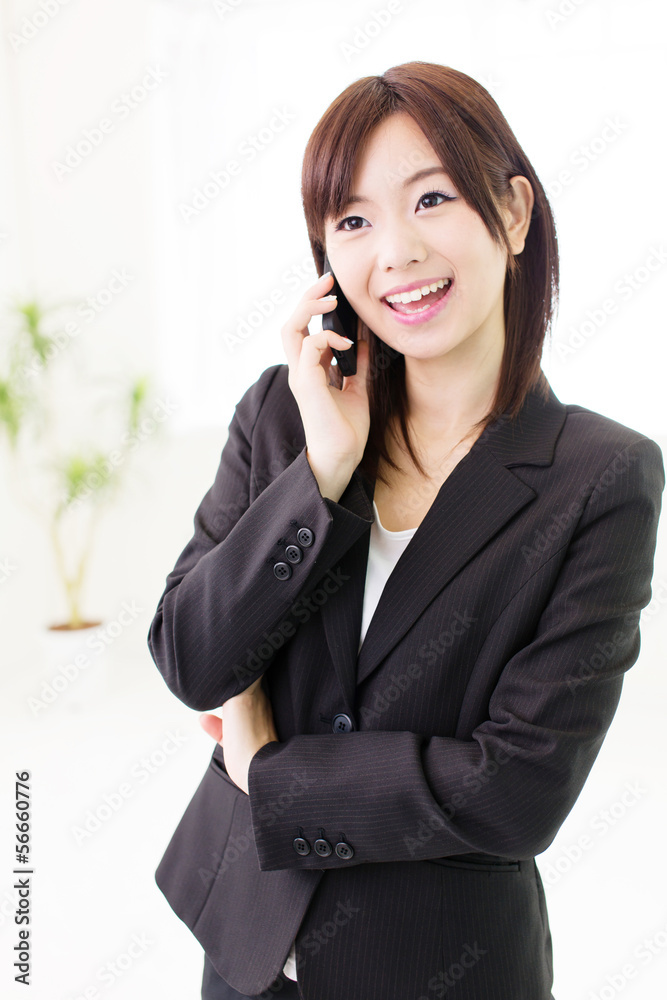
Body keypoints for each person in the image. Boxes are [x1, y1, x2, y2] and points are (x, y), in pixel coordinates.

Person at [147, 62, 665, 1000]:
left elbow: (516, 790)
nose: (394, 251)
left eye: (430, 198)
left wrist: (267, 768)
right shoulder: (284, 414)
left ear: (512, 215)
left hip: (440, 967)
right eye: (352, 220)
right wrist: (323, 472)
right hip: (248, 949)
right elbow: (191, 657)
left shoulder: (600, 477)